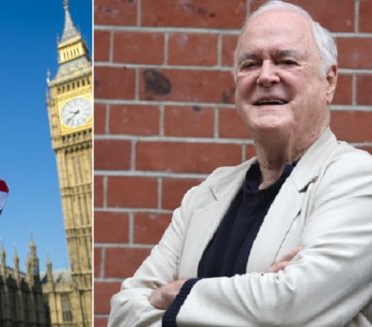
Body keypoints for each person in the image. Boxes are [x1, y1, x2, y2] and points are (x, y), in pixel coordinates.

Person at [108, 1, 372, 326]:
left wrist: (176, 295)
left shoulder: (358, 178)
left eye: (286, 61)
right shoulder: (205, 195)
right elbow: (123, 310)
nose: (265, 76)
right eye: (249, 64)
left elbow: (289, 308)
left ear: (329, 81)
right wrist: (258, 296)